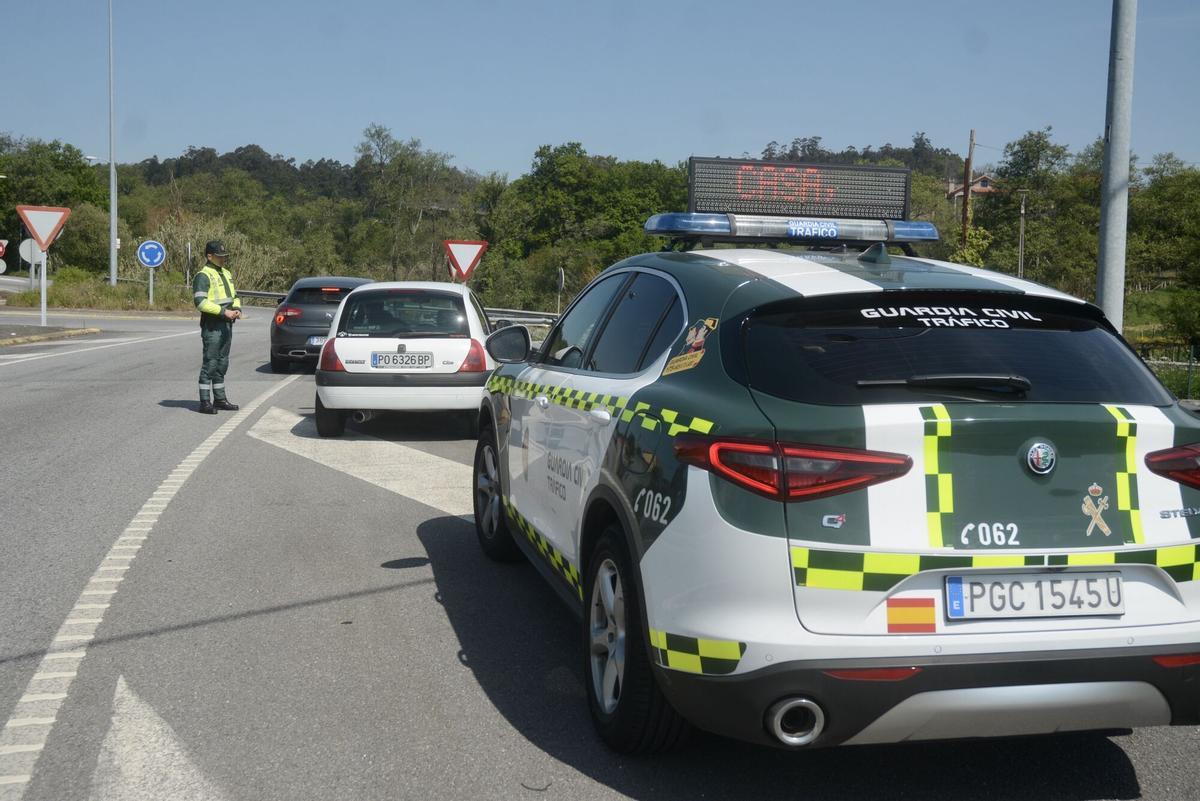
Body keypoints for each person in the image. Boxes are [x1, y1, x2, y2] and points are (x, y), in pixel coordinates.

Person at [192, 240, 242, 414]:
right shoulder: (203, 275)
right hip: (212, 326)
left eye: (224, 256)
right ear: (209, 256)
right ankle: (205, 402)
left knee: (222, 363)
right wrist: (223, 312)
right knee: (210, 363)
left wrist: (237, 308)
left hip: (227, 325)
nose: (223, 259)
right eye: (219, 256)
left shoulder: (226, 273)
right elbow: (200, 302)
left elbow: (234, 296)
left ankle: (220, 399)